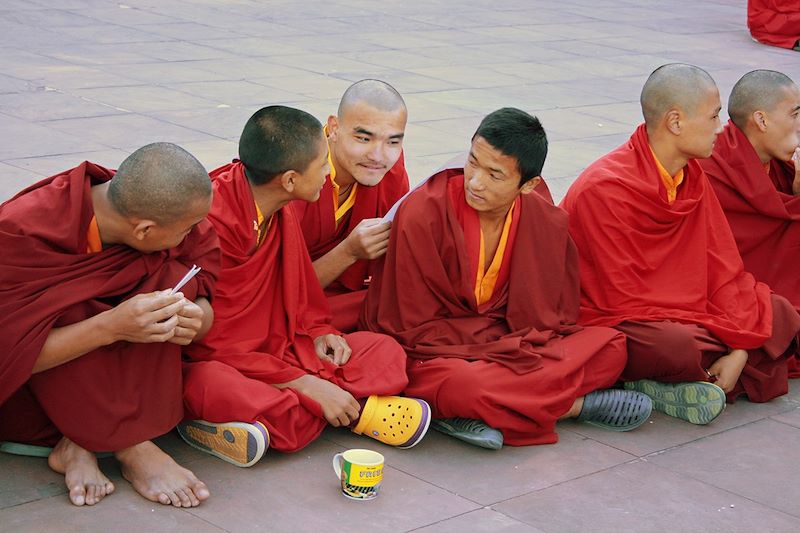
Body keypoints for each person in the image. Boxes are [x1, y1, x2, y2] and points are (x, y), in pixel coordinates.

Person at [361, 108, 652, 450]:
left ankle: (476, 411)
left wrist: (502, 347)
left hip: (508, 343)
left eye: (494, 175)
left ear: (528, 185)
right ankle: (572, 407)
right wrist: (493, 347)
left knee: (611, 347)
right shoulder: (424, 213)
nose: (475, 181)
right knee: (456, 382)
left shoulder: (544, 220)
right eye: (472, 162)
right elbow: (407, 325)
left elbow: (550, 319)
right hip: (441, 353)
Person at [180, 106, 430, 467]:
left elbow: (295, 291)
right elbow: (216, 342)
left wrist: (318, 330)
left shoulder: (278, 206)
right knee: (207, 384)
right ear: (291, 180)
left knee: (385, 351)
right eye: (322, 166)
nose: (330, 172)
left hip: (281, 346)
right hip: (227, 361)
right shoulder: (219, 221)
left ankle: (305, 414)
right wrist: (303, 384)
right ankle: (352, 410)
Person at [561, 64, 800, 426]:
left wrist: (739, 345)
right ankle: (681, 375)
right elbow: (622, 299)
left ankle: (676, 381)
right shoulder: (606, 188)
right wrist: (738, 338)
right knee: (674, 345)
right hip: (618, 316)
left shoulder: (691, 176)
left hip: (683, 309)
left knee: (780, 310)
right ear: (675, 121)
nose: (722, 128)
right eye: (714, 116)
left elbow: (722, 267)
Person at [0, 143, 220, 507]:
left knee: (166, 279)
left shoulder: (142, 206)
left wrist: (198, 316)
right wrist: (110, 327)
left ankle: (80, 440)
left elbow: (201, 270)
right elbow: (9, 351)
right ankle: (129, 445)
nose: (194, 233)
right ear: (144, 230)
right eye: (188, 228)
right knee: (61, 305)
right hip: (30, 402)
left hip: (98, 387)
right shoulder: (20, 232)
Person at [700, 70, 800, 377]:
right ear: (761, 120)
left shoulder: (776, 165)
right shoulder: (709, 166)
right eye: (794, 114)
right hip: (728, 289)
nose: (798, 125)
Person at [292, 79, 409, 332]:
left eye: (392, 142)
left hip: (341, 300)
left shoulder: (390, 171)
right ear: (334, 128)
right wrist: (349, 252)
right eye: (364, 138)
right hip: (288, 301)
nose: (377, 156)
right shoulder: (295, 171)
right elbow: (274, 288)